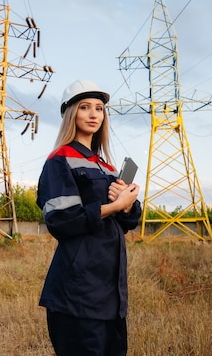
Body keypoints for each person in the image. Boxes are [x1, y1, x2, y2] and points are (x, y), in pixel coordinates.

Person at [37, 80, 142, 356]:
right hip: (77, 294)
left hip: (111, 294)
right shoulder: (59, 160)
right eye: (85, 107)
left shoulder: (106, 166)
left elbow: (128, 223)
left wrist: (128, 204)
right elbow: (62, 221)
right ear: (71, 113)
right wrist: (112, 206)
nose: (94, 114)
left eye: (99, 108)